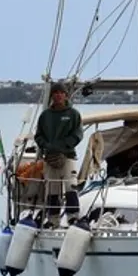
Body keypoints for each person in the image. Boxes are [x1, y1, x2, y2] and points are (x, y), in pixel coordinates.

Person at [33, 81, 83, 227]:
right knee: (52, 189)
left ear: (66, 95)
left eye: (61, 93)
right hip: (50, 158)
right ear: (52, 96)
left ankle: (73, 217)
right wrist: (47, 147)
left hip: (67, 156)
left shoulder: (73, 114)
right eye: (55, 93)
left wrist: (62, 147)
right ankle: (53, 219)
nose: (58, 95)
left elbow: (78, 135)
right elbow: (38, 136)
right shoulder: (45, 116)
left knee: (70, 186)